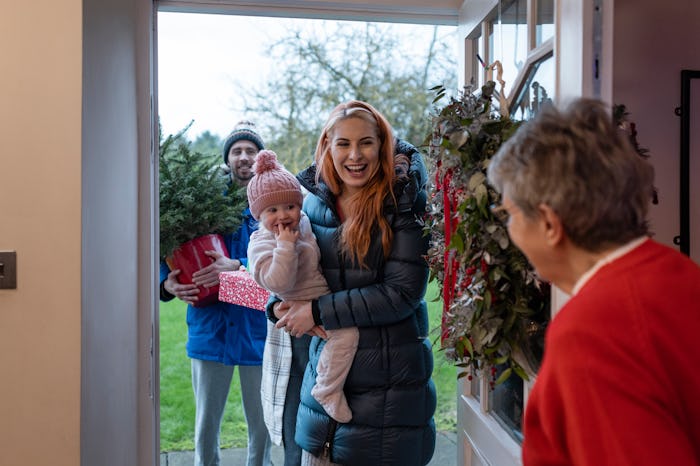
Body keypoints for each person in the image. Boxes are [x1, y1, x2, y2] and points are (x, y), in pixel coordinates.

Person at [486, 98, 700, 466]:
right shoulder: (680, 274)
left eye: (509, 213)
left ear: (550, 224)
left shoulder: (593, 333)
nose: (509, 229)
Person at [271, 100, 436, 466]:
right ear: (328, 145)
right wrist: (278, 303)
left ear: (383, 145)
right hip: (324, 393)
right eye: (343, 143)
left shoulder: (405, 202)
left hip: (390, 400)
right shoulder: (312, 202)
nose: (355, 155)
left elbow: (401, 293)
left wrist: (315, 310)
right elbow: (291, 263)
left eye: (366, 142)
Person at [159, 121, 273, 466]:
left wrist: (236, 265)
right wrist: (166, 282)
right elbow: (169, 244)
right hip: (211, 328)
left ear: (260, 157)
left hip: (258, 329)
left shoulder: (272, 203)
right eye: (236, 151)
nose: (243, 157)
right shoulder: (202, 204)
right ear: (227, 159)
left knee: (263, 421)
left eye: (250, 151)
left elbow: (283, 261)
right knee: (206, 421)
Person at [245, 149, 359, 464]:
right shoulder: (266, 241)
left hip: (320, 302)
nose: (283, 215)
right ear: (258, 215)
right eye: (272, 210)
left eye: (291, 206)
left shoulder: (305, 221)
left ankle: (327, 386)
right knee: (296, 403)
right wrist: (285, 247)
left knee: (343, 337)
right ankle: (328, 389)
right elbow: (276, 282)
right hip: (297, 310)